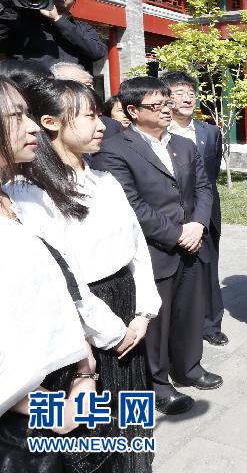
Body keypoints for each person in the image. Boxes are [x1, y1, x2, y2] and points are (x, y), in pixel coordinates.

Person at [5, 78, 160, 473]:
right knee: (91, 436)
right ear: (52, 122)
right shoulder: (28, 193)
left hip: (128, 309)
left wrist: (142, 312)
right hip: (88, 327)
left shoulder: (105, 180)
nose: (102, 124)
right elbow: (63, 276)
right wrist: (109, 330)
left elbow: (137, 250)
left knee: (134, 418)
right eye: (90, 116)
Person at [92, 76, 220, 416]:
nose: (168, 109)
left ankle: (189, 368)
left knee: (191, 313)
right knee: (157, 321)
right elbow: (131, 205)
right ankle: (159, 384)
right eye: (158, 105)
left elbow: (204, 188)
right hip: (155, 249)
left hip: (193, 241)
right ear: (133, 111)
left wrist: (197, 224)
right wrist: (177, 234)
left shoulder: (184, 145)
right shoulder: (115, 150)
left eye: (168, 103)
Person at [0, 76, 96, 470]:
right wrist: (45, 408)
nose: (34, 126)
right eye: (17, 115)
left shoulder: (8, 196)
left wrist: (79, 360)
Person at [162, 72, 228, 347]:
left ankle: (211, 323)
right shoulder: (161, 132)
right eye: (179, 92)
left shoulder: (209, 132)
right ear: (166, 98)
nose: (187, 97)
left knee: (208, 270)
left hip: (207, 212)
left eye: (190, 91)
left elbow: (210, 176)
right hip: (171, 215)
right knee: (175, 272)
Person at [0, 0, 105, 73]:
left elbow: (97, 52)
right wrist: (6, 4)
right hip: (32, 87)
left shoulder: (83, 28)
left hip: (73, 87)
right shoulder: (19, 19)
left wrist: (58, 20)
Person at [50, 61, 122, 140]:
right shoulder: (41, 129)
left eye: (90, 85)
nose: (90, 91)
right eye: (81, 86)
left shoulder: (111, 128)